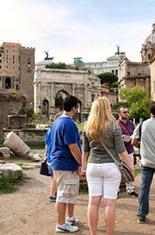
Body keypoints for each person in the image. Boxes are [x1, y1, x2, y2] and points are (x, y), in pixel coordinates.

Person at [81, 97, 135, 235]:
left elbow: (85, 152)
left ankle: (93, 233)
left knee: (93, 202)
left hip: (93, 166)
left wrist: (83, 168)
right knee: (109, 204)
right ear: (107, 109)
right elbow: (122, 151)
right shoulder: (113, 126)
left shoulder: (88, 126)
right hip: (111, 166)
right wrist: (131, 168)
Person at [49, 95, 83, 233]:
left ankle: (70, 217)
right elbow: (73, 146)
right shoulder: (68, 124)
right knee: (64, 194)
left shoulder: (57, 121)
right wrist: (82, 163)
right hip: (65, 163)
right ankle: (61, 224)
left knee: (70, 192)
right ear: (74, 108)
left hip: (62, 162)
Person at [117, 106, 138, 197]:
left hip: (129, 150)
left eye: (127, 112)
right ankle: (116, 190)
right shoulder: (115, 124)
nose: (126, 113)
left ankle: (130, 189)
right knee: (117, 171)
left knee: (129, 170)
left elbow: (135, 134)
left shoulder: (131, 124)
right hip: (118, 151)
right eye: (124, 112)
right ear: (119, 114)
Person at [45, 113, 61, 202]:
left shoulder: (49, 131)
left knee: (52, 176)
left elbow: (46, 144)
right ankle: (52, 194)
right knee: (55, 176)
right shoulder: (56, 131)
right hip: (54, 157)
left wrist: (46, 154)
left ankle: (55, 192)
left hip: (49, 156)